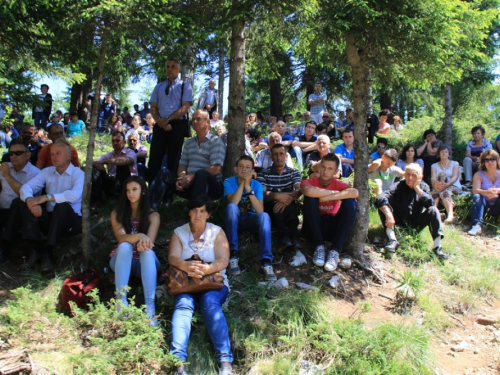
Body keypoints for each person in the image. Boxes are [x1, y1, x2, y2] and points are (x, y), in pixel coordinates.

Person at [168, 195, 233, 375]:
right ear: (189, 212)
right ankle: (178, 363)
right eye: (195, 210)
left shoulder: (217, 232)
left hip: (212, 281)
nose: (198, 214)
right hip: (186, 282)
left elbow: (223, 260)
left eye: (202, 211)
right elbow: (173, 257)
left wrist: (206, 269)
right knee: (183, 306)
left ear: (208, 214)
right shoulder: (179, 232)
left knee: (210, 304)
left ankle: (225, 362)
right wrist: (185, 266)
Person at [2, 140, 84, 272]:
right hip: (50, 219)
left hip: (70, 221)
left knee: (62, 206)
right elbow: (26, 188)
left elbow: (74, 195)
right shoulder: (47, 171)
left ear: (68, 156)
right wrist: (30, 200)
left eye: (58, 153)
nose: (54, 157)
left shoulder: (78, 174)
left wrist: (46, 197)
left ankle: (48, 252)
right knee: (19, 201)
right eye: (52, 154)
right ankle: (35, 247)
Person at [148, 109, 225, 210]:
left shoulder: (216, 141)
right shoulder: (189, 143)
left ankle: (195, 211)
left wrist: (192, 177)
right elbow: (182, 165)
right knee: (164, 173)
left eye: (198, 119)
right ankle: (149, 209)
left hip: (211, 186)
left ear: (208, 122)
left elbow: (216, 169)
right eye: (193, 120)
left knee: (201, 174)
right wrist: (182, 177)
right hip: (189, 183)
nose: (194, 122)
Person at [109, 176, 160, 326]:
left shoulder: (153, 216)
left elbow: (149, 243)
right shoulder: (117, 214)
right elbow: (121, 238)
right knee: (125, 246)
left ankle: (150, 307)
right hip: (122, 261)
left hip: (144, 262)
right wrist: (138, 236)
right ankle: (121, 302)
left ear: (143, 192)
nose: (131, 193)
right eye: (127, 190)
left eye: (134, 189)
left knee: (147, 251)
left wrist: (142, 242)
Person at [375, 163, 448, 260]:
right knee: (384, 208)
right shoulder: (398, 186)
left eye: (414, 175)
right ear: (404, 175)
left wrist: (417, 189)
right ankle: (392, 240)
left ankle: (437, 247)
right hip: (397, 222)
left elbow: (430, 204)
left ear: (420, 177)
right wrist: (388, 214)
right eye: (407, 174)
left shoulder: (424, 187)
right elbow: (381, 197)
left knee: (434, 210)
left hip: (415, 223)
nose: (409, 178)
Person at [301, 153, 358, 271]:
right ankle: (319, 246)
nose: (325, 171)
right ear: (319, 167)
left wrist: (326, 197)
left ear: (336, 171)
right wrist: (334, 193)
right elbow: (307, 191)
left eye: (330, 168)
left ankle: (335, 250)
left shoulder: (338, 184)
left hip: (332, 226)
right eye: (323, 167)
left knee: (350, 201)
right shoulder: (311, 181)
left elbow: (354, 193)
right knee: (310, 198)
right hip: (314, 226)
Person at [224, 155, 274, 279]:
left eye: (248, 168)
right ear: (235, 169)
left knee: (265, 216)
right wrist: (242, 184)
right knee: (231, 208)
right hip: (235, 219)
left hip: (251, 219)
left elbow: (259, 210)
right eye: (241, 166)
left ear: (252, 171)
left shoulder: (256, 185)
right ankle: (232, 254)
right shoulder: (228, 182)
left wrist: (248, 187)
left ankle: (266, 261)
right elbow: (233, 202)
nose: (244, 170)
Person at [257, 144, 303, 267]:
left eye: (281, 154)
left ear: (286, 156)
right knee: (274, 205)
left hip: (290, 205)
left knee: (291, 205)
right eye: (275, 154)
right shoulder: (264, 173)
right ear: (271, 157)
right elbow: (263, 193)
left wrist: (287, 198)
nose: (279, 157)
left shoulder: (294, 172)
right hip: (272, 206)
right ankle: (285, 236)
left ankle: (293, 237)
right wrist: (278, 196)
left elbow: (299, 189)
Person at [149, 58, 193, 183]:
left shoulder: (185, 86)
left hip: (177, 125)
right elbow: (153, 107)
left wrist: (168, 120)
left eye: (173, 67)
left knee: (173, 159)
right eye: (168, 66)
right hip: (159, 124)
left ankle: (169, 193)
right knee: (154, 158)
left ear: (179, 70)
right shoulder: (158, 87)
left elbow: (185, 107)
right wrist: (159, 121)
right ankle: (151, 190)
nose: (170, 69)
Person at [0, 143, 40, 262]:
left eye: (18, 153)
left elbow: (25, 194)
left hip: (22, 214)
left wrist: (7, 176)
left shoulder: (36, 173)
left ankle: (5, 247)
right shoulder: (6, 167)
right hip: (2, 209)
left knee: (18, 202)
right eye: (11, 153)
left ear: (28, 155)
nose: (14, 156)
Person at [91, 132, 137, 208]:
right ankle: (97, 201)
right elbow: (94, 161)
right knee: (96, 169)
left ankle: (116, 197)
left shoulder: (131, 153)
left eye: (118, 140)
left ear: (124, 142)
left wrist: (105, 161)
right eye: (113, 141)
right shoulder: (109, 155)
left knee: (122, 165)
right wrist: (99, 166)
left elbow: (127, 161)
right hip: (112, 182)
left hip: (127, 183)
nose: (115, 143)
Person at [467, 150, 500, 236]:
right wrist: (487, 192)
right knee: (476, 197)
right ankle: (477, 225)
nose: (490, 162)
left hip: (498, 204)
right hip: (484, 205)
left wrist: (497, 190)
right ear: (483, 162)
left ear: (497, 160)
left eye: (492, 159)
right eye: (487, 160)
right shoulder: (479, 174)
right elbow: (475, 190)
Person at [430, 144, 462, 224]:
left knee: (444, 191)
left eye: (446, 152)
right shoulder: (434, 165)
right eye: (442, 152)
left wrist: (446, 185)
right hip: (439, 187)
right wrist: (435, 185)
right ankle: (434, 214)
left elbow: (455, 176)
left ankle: (450, 215)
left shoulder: (455, 163)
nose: (444, 153)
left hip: (453, 185)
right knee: (437, 192)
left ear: (449, 154)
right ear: (439, 153)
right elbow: (433, 178)